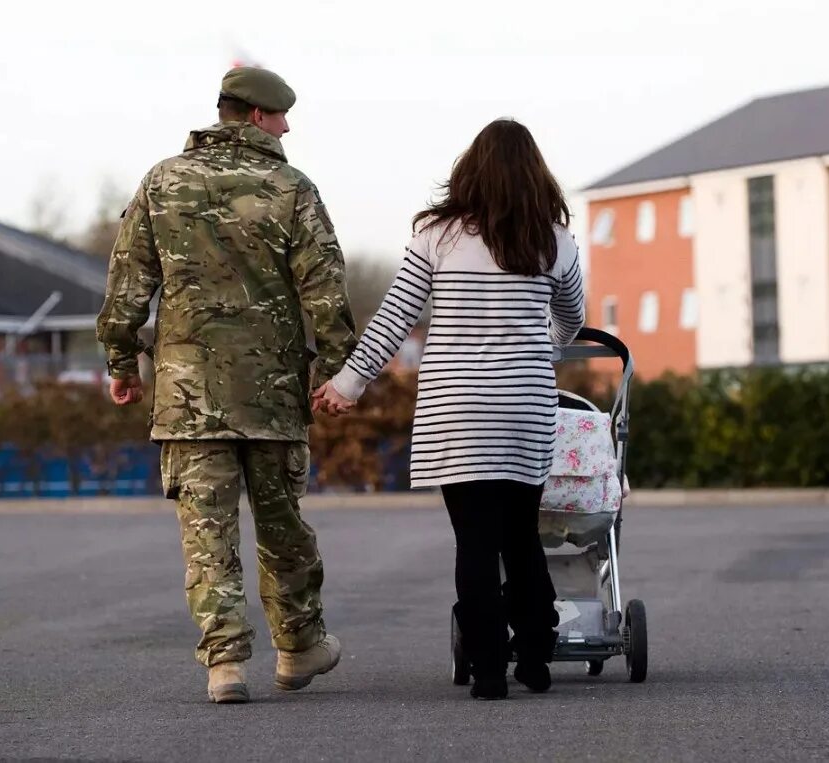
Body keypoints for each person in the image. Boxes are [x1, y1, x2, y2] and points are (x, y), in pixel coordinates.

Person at [97, 66, 357, 704]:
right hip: (271, 394)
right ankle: (298, 650)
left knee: (206, 535)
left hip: (187, 398)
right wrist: (336, 369)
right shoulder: (292, 187)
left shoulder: (162, 181)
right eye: (280, 115)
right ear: (253, 116)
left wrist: (121, 363)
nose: (288, 126)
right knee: (282, 526)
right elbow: (324, 286)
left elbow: (129, 282)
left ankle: (225, 667)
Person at [315, 119, 585, 700]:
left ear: (470, 169)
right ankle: (536, 656)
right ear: (537, 174)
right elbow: (573, 317)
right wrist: (547, 337)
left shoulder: (436, 236)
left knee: (475, 544)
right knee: (521, 538)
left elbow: (394, 318)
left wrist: (348, 383)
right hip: (523, 409)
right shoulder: (554, 240)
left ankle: (489, 672)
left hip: (457, 413)